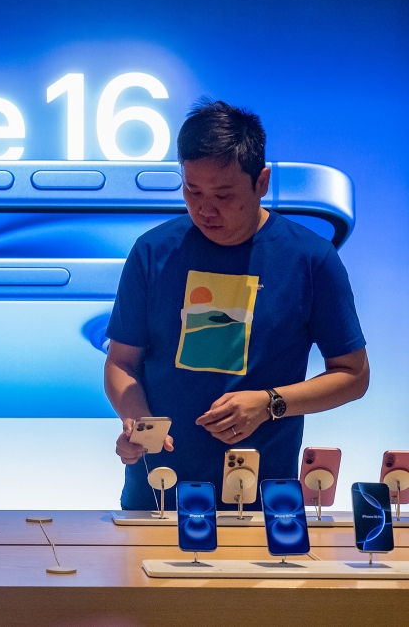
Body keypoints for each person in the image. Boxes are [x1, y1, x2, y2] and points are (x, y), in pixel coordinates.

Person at [104, 99, 369, 510]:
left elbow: (353, 375)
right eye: (192, 190)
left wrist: (269, 403)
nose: (204, 208)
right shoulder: (153, 252)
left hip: (263, 501)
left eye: (223, 195)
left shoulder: (310, 259)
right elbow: (121, 363)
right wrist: (137, 423)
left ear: (261, 182)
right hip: (157, 494)